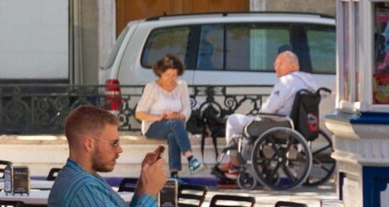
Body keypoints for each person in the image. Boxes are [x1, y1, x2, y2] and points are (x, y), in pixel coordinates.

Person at [216, 50, 320, 178]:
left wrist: (259, 112)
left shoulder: (287, 81)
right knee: (248, 128)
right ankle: (241, 162)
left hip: (277, 125)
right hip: (299, 125)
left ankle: (234, 164)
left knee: (233, 120)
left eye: (280, 63)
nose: (275, 67)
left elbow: (268, 109)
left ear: (293, 65)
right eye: (275, 64)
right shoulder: (309, 82)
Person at [48, 105, 167, 207]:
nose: (119, 150)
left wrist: (144, 183)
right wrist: (150, 191)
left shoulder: (85, 177)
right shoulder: (84, 187)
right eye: (114, 143)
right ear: (89, 144)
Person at [134, 55, 201, 173]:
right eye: (167, 75)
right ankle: (191, 158)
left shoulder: (182, 86)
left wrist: (180, 116)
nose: (171, 78)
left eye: (174, 75)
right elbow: (139, 113)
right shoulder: (152, 87)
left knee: (172, 134)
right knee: (175, 125)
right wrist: (159, 117)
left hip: (175, 125)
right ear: (160, 73)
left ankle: (174, 174)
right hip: (154, 126)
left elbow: (187, 108)